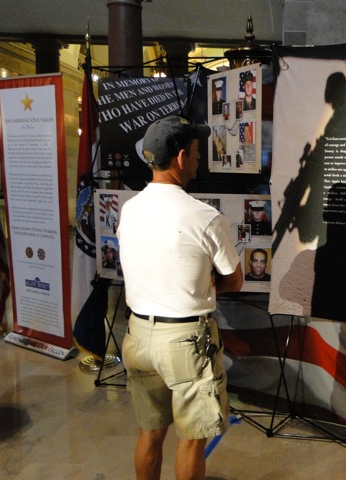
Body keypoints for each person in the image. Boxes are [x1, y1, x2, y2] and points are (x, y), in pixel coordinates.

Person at [117, 115, 243, 480]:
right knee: (191, 439)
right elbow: (234, 280)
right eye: (197, 151)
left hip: (138, 335)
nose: (200, 157)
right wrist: (206, 285)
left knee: (150, 432)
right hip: (187, 342)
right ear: (181, 156)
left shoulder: (130, 208)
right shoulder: (204, 217)